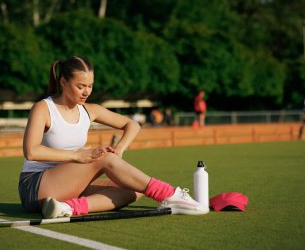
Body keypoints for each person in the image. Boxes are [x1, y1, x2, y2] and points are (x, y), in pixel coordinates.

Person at [18, 56, 209, 219]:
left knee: (133, 189)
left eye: (90, 86)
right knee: (104, 157)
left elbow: (132, 125)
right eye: (80, 86)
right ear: (63, 82)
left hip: (66, 188)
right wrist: (78, 155)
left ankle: (67, 208)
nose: (87, 92)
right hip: (35, 187)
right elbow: (31, 151)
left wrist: (119, 150)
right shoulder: (43, 108)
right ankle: (168, 194)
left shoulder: (89, 110)